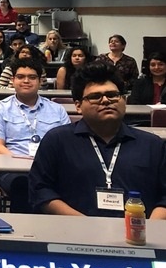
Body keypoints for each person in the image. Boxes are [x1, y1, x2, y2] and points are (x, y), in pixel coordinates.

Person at [29, 62, 166, 218]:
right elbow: (40, 190)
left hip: (141, 236)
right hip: (74, 233)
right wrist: (86, 225)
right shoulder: (57, 140)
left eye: (113, 95)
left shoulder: (152, 145)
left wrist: (148, 227)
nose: (106, 100)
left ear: (124, 101)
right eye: (95, 97)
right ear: (78, 106)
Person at [0, 58, 71, 213]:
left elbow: (67, 145)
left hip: (50, 168)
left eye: (32, 77)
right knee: (24, 184)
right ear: (12, 80)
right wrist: (22, 163)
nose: (26, 81)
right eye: (21, 77)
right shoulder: (0, 109)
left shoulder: (57, 110)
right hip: (13, 169)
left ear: (40, 81)